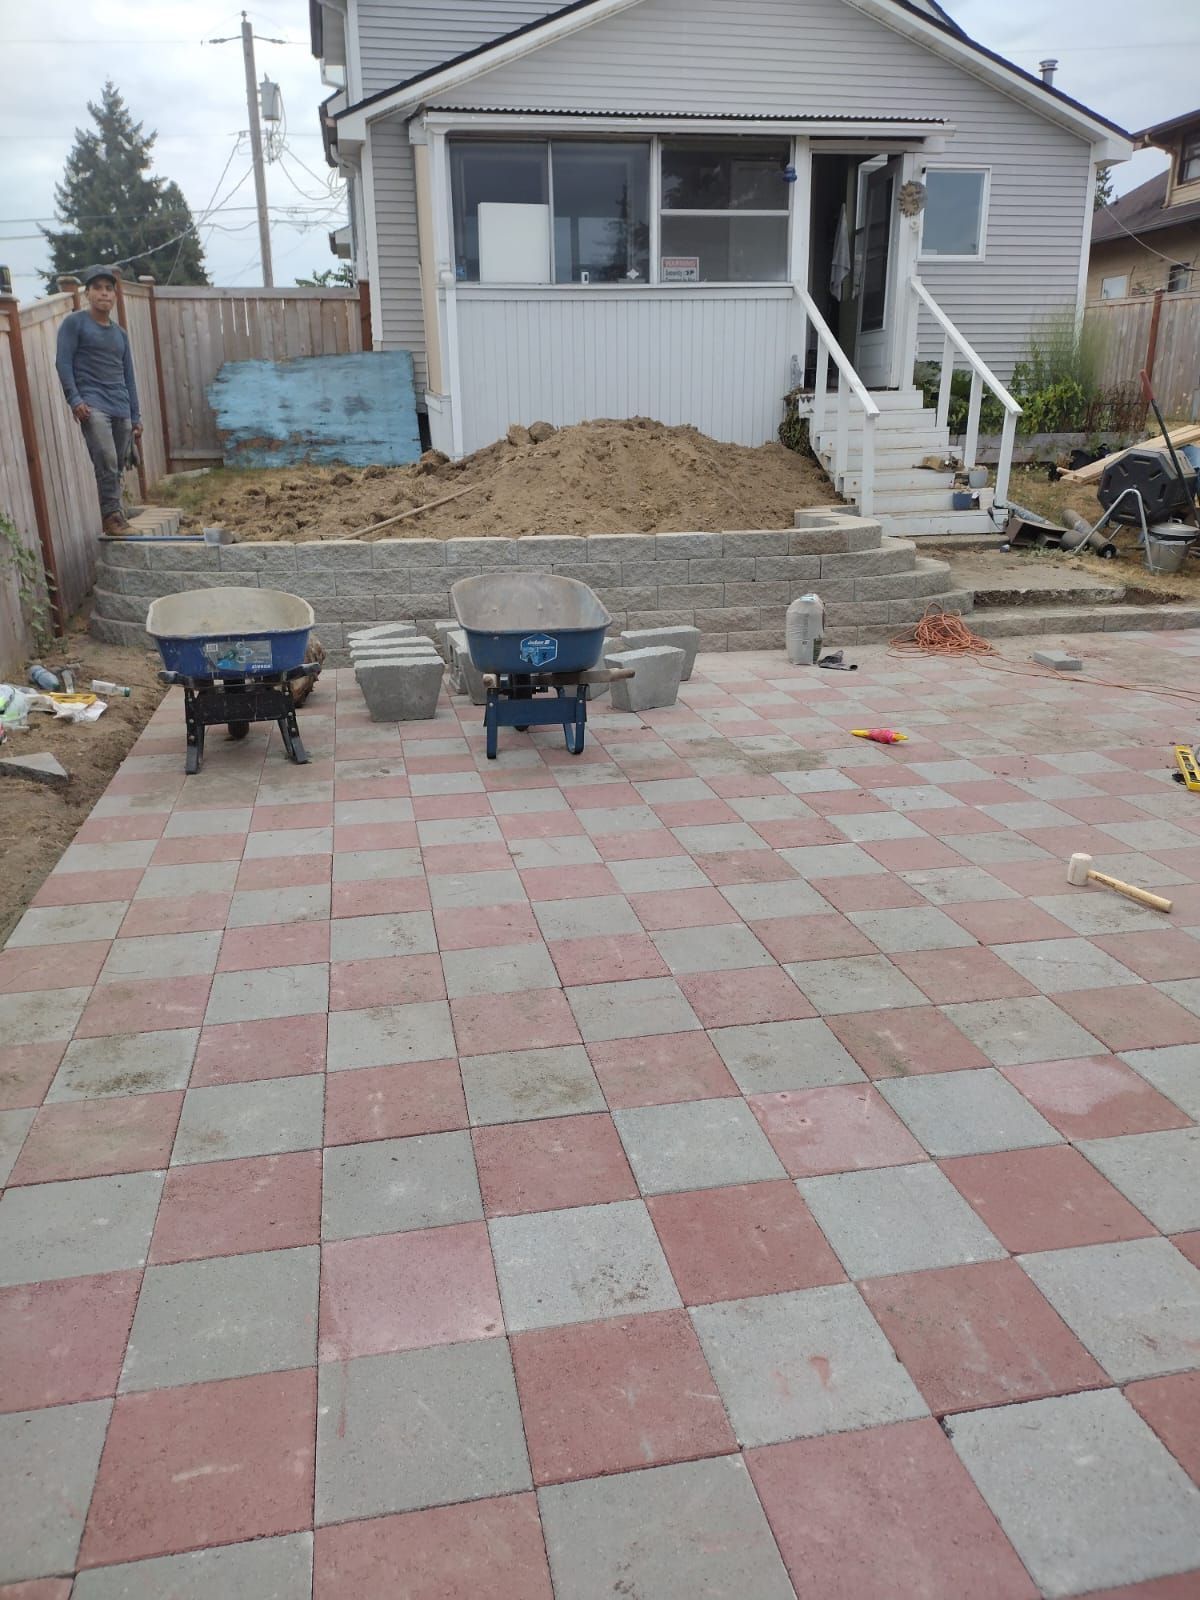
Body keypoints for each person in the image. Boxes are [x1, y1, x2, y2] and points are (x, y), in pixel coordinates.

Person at [55, 264, 143, 537]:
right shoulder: (75, 324)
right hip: (92, 405)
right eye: (98, 288)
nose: (104, 293)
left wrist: (136, 416)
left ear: (114, 296)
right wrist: (74, 399)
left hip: (121, 406)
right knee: (106, 458)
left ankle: (116, 514)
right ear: (87, 294)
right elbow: (63, 363)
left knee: (115, 465)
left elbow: (129, 376)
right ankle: (112, 517)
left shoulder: (120, 334)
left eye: (108, 289)